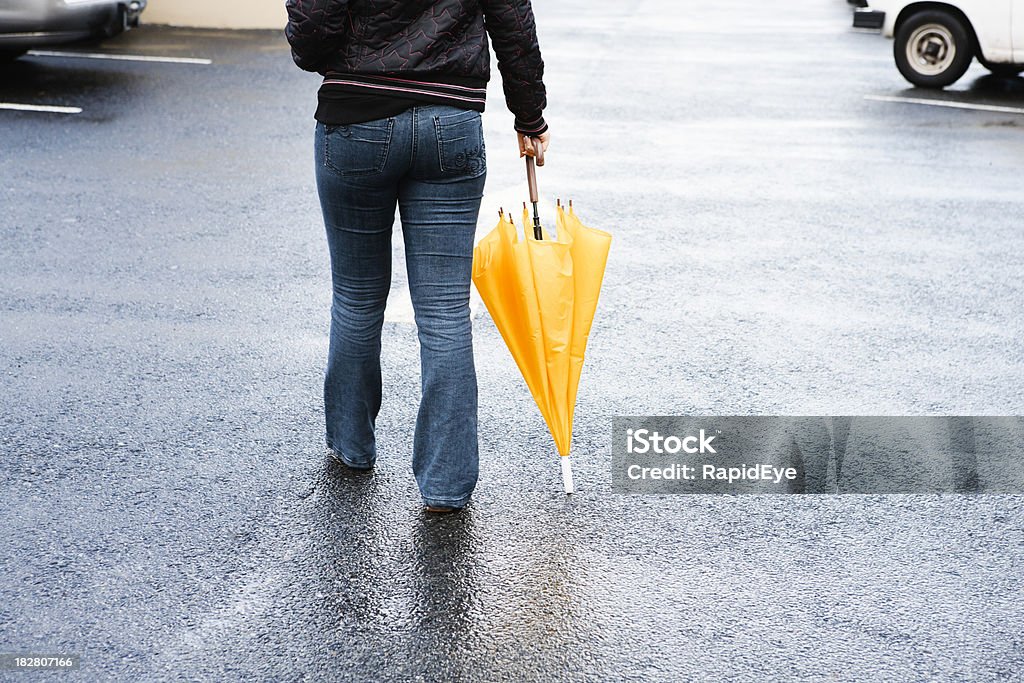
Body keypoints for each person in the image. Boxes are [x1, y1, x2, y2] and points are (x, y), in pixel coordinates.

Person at [285, 0, 551, 513]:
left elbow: (312, 35)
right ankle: (445, 485)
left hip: (356, 119)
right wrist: (530, 115)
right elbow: (514, 25)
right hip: (451, 123)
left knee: (357, 297)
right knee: (446, 311)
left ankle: (351, 446)